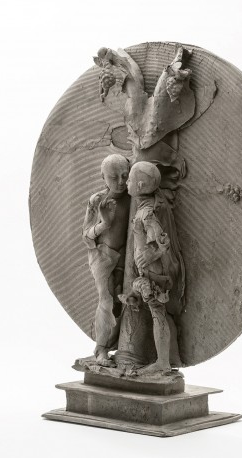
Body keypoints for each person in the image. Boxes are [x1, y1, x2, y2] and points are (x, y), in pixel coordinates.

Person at [126, 161, 174, 374]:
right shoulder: (144, 208)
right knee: (155, 311)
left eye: (129, 180)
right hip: (149, 272)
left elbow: (163, 242)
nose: (126, 183)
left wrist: (150, 254)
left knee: (157, 313)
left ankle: (162, 362)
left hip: (155, 273)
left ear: (140, 185)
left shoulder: (146, 214)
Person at [82, 154, 130, 366]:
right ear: (103, 177)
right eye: (113, 177)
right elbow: (86, 236)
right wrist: (104, 224)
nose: (120, 182)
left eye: (124, 175)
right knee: (106, 300)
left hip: (126, 257)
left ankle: (119, 346)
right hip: (102, 257)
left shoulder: (133, 197)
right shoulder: (97, 201)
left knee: (122, 301)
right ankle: (101, 349)